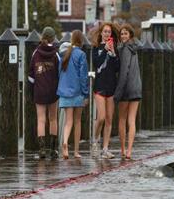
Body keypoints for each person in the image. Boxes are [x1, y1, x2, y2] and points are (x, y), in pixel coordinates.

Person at [57, 30, 89, 159]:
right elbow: (83, 76)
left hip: (64, 92)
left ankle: (64, 142)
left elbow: (59, 73)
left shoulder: (64, 53)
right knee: (77, 122)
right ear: (81, 41)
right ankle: (76, 151)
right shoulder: (81, 54)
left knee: (68, 122)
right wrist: (85, 94)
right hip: (77, 92)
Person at [28, 26, 60, 159]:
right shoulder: (56, 54)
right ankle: (53, 150)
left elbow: (31, 75)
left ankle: (41, 150)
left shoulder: (35, 53)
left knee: (41, 119)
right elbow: (59, 73)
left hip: (39, 90)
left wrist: (32, 91)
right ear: (53, 38)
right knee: (53, 119)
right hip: (53, 91)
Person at [91, 22, 120, 159]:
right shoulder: (96, 47)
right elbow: (96, 63)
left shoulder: (115, 48)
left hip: (111, 86)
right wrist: (104, 50)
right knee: (101, 117)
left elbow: (117, 68)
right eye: (105, 31)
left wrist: (113, 53)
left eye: (109, 32)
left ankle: (105, 148)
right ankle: (95, 141)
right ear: (101, 33)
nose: (107, 33)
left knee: (109, 119)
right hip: (99, 86)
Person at [114, 24, 142, 160]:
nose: (123, 36)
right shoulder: (135, 48)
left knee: (122, 119)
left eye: (125, 33)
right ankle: (130, 150)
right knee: (132, 120)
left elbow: (124, 72)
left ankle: (123, 150)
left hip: (126, 89)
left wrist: (118, 93)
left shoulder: (125, 49)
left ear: (130, 35)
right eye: (121, 34)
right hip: (136, 87)